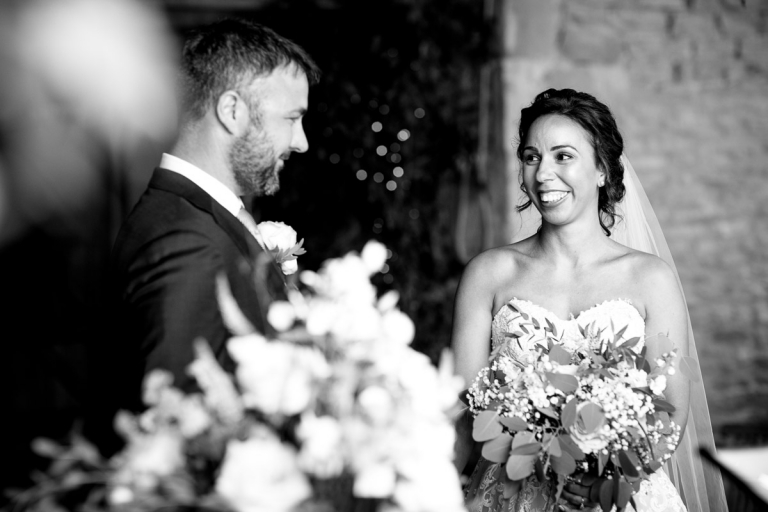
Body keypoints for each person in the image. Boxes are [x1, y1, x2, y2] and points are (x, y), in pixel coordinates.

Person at [451, 89, 725, 511]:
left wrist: (610, 475)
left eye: (563, 156)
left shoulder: (651, 279)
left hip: (621, 497)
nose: (543, 175)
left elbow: (669, 419)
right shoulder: (488, 274)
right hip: (510, 496)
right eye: (531, 157)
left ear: (601, 170)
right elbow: (463, 415)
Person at [88, 18, 320, 453]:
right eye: (291, 118)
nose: (302, 141)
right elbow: (171, 431)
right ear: (232, 111)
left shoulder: (206, 219)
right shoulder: (185, 241)